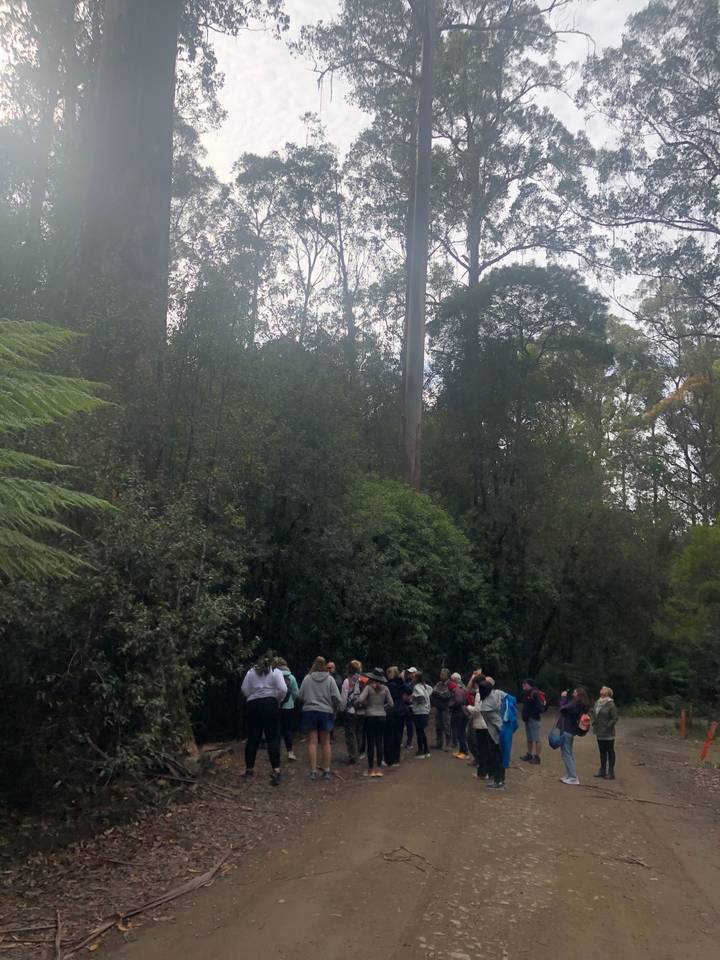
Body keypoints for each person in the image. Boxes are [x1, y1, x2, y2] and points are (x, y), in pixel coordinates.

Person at [241, 653, 287, 786]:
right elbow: (283, 689)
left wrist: (252, 697)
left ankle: (249, 769)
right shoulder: (275, 672)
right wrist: (277, 699)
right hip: (270, 704)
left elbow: (244, 689)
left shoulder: (250, 672)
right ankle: (276, 770)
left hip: (254, 705)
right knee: (273, 738)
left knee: (253, 738)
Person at [298, 656, 342, 781]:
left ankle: (313, 771)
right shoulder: (330, 679)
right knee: (325, 742)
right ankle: (326, 770)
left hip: (310, 711)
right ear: (325, 666)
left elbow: (300, 696)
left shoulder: (307, 678)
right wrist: (334, 708)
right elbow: (337, 698)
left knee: (312, 742)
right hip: (326, 712)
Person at [356, 669, 393, 777]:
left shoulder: (368, 688)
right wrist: (383, 708)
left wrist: (366, 705)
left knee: (370, 743)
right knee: (379, 742)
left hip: (370, 716)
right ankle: (379, 769)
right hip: (382, 716)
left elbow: (360, 700)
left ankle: (371, 768)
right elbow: (391, 704)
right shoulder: (385, 688)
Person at [558, 686, 591, 785]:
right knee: (567, 753)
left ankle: (573, 777)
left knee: (567, 753)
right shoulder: (579, 704)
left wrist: (563, 698)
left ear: (578, 694)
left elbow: (563, 708)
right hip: (570, 730)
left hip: (567, 729)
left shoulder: (576, 703)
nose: (573, 693)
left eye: (575, 692)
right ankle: (570, 775)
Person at [478, 677, 506, 789]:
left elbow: (494, 722)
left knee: (496, 757)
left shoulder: (485, 706)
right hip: (501, 730)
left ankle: (498, 781)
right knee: (499, 757)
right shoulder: (497, 694)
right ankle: (500, 780)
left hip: (494, 733)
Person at [465, 673, 492, 779]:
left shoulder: (479, 693)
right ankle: (488, 772)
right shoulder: (490, 692)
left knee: (482, 749)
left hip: (480, 724)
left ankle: (482, 773)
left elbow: (477, 710)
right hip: (488, 723)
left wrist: (468, 707)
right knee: (487, 749)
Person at [385, 666, 412, 766]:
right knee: (398, 735)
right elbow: (409, 691)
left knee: (390, 735)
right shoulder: (401, 684)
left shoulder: (390, 685)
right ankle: (396, 759)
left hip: (392, 711)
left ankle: (389, 759)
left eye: (389, 673)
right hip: (401, 711)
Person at [273, 657, 299, 761]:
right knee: (287, 730)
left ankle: (276, 752)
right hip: (288, 707)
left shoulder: (273, 676)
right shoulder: (291, 677)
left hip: (275, 706)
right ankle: (290, 752)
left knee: (276, 730)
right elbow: (296, 693)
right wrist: (291, 700)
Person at [340, 660, 365, 764]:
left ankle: (352, 755)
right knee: (359, 731)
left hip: (350, 711)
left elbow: (344, 698)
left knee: (350, 733)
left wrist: (342, 709)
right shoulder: (364, 680)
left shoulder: (347, 681)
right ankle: (359, 752)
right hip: (362, 710)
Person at [593, 686, 618, 779]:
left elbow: (615, 718)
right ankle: (602, 770)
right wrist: (593, 723)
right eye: (601, 688)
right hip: (599, 731)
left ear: (608, 692)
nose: (602, 689)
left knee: (610, 751)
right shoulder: (597, 702)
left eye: (604, 689)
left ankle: (611, 772)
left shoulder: (611, 704)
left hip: (608, 732)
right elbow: (595, 715)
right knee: (602, 751)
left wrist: (608, 726)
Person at [520, 679, 543, 765]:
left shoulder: (535, 693)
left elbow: (539, 708)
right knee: (529, 738)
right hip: (527, 719)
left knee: (536, 739)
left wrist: (532, 715)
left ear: (529, 685)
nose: (523, 685)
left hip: (534, 719)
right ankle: (529, 754)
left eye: (525, 683)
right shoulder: (528, 693)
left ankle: (537, 757)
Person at [410, 671, 433, 758]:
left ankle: (421, 751)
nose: (412, 678)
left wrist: (415, 698)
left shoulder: (416, 687)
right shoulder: (425, 686)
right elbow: (431, 690)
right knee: (422, 731)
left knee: (419, 731)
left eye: (413, 677)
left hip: (419, 711)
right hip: (425, 711)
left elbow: (421, 695)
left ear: (416, 678)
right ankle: (426, 750)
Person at [449, 673, 470, 759]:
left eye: (451, 680)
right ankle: (461, 751)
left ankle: (465, 752)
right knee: (461, 732)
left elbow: (458, 701)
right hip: (465, 712)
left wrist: (451, 705)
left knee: (460, 733)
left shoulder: (457, 689)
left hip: (459, 713)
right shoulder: (463, 687)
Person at [431, 669, 453, 750]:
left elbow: (447, 695)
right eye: (441, 674)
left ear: (448, 676)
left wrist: (439, 694)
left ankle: (448, 744)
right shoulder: (439, 683)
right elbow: (433, 692)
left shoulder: (450, 684)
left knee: (447, 726)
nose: (441, 676)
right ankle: (439, 744)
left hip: (446, 708)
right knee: (438, 726)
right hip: (438, 707)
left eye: (443, 674)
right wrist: (441, 694)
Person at [404, 668, 418, 749]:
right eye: (409, 673)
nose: (410, 674)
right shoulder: (407, 681)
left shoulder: (416, 683)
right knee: (407, 724)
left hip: (413, 706)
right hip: (406, 705)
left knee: (411, 724)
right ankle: (408, 741)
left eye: (412, 673)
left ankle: (410, 742)